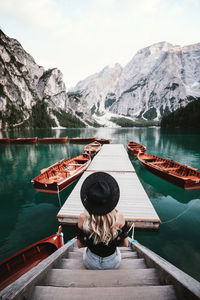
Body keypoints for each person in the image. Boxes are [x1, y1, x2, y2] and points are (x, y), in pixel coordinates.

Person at [76, 171, 129, 270]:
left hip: (90, 263)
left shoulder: (82, 218)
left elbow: (79, 245)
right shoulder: (119, 217)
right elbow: (125, 244)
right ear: (111, 200)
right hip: (113, 263)